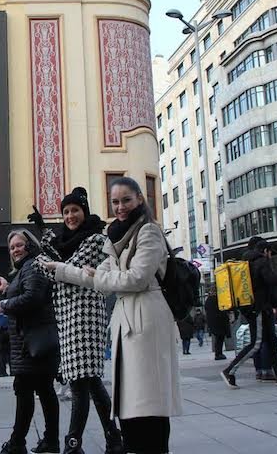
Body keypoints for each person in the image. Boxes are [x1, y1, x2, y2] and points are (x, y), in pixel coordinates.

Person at [44, 177, 181, 454]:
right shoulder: (116, 236)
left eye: (126, 200)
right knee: (130, 401)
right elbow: (92, 275)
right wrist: (60, 269)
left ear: (140, 199)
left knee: (149, 400)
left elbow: (137, 279)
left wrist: (104, 277)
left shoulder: (148, 232)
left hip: (147, 318)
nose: (120, 207)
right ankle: (127, 444)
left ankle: (152, 448)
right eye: (115, 201)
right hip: (126, 321)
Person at [30, 187, 124, 454]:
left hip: (86, 317)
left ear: (85, 211)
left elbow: (67, 269)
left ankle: (73, 443)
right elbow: (55, 263)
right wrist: (44, 237)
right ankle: (113, 440)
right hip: (68, 316)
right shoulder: (63, 239)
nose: (71, 216)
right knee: (90, 381)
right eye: (66, 211)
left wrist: (49, 263)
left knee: (81, 381)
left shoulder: (95, 239)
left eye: (75, 210)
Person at [0, 229, 60, 454]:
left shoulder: (32, 266)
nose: (15, 250)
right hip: (28, 342)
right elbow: (26, 295)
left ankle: (18, 442)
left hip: (32, 342)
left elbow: (33, 298)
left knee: (26, 390)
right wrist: (7, 290)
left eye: (19, 245)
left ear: (29, 245)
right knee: (42, 390)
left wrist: (5, 305)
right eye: (12, 247)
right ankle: (48, 440)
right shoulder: (27, 268)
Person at [221, 237, 277, 389]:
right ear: (265, 251)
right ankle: (229, 371)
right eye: (270, 252)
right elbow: (271, 280)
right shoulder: (261, 261)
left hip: (254, 307)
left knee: (272, 341)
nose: (270, 255)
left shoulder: (247, 261)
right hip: (260, 308)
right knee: (255, 343)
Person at [204, 291, 230, 360]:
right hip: (219, 322)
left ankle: (218, 353)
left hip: (213, 322)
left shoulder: (208, 300)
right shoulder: (217, 300)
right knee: (220, 339)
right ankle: (218, 354)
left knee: (218, 338)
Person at [0, 311, 11, 377]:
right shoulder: (8, 315)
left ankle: (2, 371)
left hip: (1, 336)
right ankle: (12, 371)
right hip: (8, 335)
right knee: (9, 353)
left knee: (1, 354)